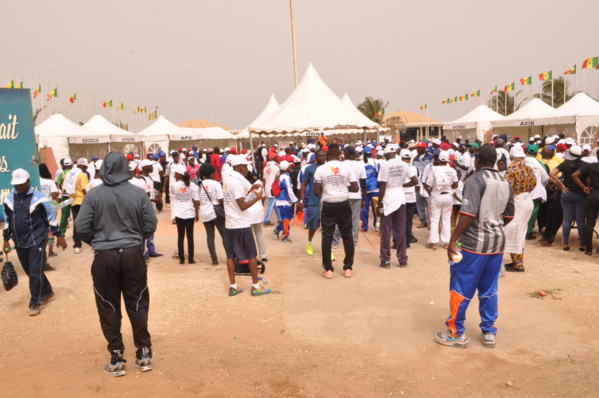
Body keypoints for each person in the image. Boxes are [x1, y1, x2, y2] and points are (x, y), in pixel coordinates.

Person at [75, 152, 157, 376]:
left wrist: (98, 241)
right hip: (133, 254)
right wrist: (135, 238)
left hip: (104, 256)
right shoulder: (138, 193)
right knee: (138, 301)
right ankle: (143, 353)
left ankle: (117, 357)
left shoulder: (93, 195)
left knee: (108, 304)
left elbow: (81, 226)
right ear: (126, 168)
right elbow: (151, 224)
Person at [437, 144, 514, 349]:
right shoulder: (505, 182)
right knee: (489, 289)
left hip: (474, 245)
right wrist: (493, 226)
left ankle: (455, 333)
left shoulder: (475, 180)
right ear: (496, 161)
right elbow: (509, 215)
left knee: (461, 288)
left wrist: (453, 239)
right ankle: (489, 331)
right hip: (497, 244)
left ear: (477, 160)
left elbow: (467, 214)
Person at [3, 169, 68, 317]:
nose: (19, 187)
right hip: (19, 241)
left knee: (34, 271)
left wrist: (59, 235)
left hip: (36, 240)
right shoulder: (8, 199)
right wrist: (6, 240)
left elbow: (50, 217)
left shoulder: (39, 199)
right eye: (16, 184)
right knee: (30, 270)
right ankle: (47, 290)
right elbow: (7, 221)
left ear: (28, 181)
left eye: (21, 184)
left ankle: (35, 302)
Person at [223, 156, 271, 296]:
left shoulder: (228, 179)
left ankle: (233, 286)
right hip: (241, 223)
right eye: (245, 166)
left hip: (230, 223)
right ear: (238, 167)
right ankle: (256, 286)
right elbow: (242, 205)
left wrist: (252, 190)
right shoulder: (236, 182)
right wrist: (257, 197)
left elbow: (238, 198)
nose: (247, 169)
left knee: (230, 256)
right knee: (251, 254)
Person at [314, 144, 359, 279]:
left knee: (327, 237)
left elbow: (316, 191)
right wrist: (343, 190)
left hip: (328, 204)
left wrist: (328, 190)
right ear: (340, 154)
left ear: (327, 155)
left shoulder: (320, 169)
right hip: (344, 203)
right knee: (347, 236)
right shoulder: (347, 167)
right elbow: (356, 188)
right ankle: (348, 268)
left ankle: (328, 269)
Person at [377, 147, 417, 268]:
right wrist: (403, 185)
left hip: (388, 198)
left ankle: (385, 260)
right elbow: (415, 180)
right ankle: (402, 259)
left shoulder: (385, 165)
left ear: (385, 155)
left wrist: (379, 204)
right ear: (395, 154)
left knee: (386, 231)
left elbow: (383, 185)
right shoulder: (404, 164)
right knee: (400, 231)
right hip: (400, 198)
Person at [502, 146, 537, 272]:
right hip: (528, 200)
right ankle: (516, 261)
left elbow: (507, 188)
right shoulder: (529, 168)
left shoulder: (512, 169)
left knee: (511, 231)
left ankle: (517, 264)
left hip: (517, 202)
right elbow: (534, 184)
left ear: (511, 157)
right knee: (520, 232)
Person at [550, 146, 586, 251]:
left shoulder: (564, 164)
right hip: (580, 194)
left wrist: (561, 185)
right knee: (580, 221)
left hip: (567, 192)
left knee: (567, 220)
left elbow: (552, 174)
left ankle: (565, 244)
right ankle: (582, 245)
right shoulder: (584, 165)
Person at [423, 150, 458, 250]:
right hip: (448, 197)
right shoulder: (452, 170)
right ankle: (446, 242)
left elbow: (428, 184)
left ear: (438, 159)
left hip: (436, 196)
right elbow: (455, 185)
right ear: (448, 160)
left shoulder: (434, 170)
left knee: (434, 220)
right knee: (446, 220)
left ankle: (433, 242)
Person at [197, 163, 227, 266]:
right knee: (224, 235)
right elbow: (221, 200)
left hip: (204, 213)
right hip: (216, 211)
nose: (215, 173)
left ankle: (214, 259)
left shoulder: (199, 184)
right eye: (214, 171)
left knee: (210, 236)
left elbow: (197, 201)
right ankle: (230, 256)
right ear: (211, 173)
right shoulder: (216, 184)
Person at [299, 150, 326, 256]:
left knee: (327, 227)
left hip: (327, 201)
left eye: (324, 156)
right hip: (313, 202)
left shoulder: (328, 168)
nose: (323, 157)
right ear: (316, 157)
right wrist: (301, 200)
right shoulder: (309, 168)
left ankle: (327, 250)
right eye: (321, 156)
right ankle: (309, 243)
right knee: (313, 226)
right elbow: (303, 184)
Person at [171, 165, 200, 264]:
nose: (174, 175)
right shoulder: (192, 185)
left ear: (179, 175)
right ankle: (191, 258)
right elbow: (196, 201)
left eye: (175, 173)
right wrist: (196, 213)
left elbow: (173, 194)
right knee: (190, 236)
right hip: (190, 213)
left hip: (179, 213)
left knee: (180, 236)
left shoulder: (174, 185)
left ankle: (181, 259)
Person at [572, 151, 599, 255]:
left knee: (590, 224)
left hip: (592, 195)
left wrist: (584, 187)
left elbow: (575, 175)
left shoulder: (591, 166)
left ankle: (588, 250)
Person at [139, 160, 164, 259]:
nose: (152, 167)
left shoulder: (150, 178)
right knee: (146, 229)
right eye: (150, 166)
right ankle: (145, 252)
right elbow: (143, 196)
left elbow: (152, 190)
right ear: (145, 168)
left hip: (151, 207)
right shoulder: (141, 180)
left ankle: (151, 250)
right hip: (145, 208)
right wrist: (154, 200)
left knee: (151, 229)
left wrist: (157, 194)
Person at [343, 145, 367, 245]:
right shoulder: (360, 165)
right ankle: (354, 240)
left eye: (344, 152)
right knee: (355, 218)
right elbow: (363, 183)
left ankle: (336, 239)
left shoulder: (342, 164)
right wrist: (363, 198)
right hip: (357, 195)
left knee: (341, 217)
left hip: (344, 194)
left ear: (348, 153)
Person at [273, 160, 298, 243]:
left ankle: (277, 229)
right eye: (289, 166)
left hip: (283, 201)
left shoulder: (282, 176)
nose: (291, 167)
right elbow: (289, 190)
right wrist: (295, 200)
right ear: (286, 168)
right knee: (286, 219)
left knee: (286, 218)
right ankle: (285, 236)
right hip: (284, 200)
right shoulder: (285, 177)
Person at [39, 163, 60, 264]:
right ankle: (50, 251)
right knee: (51, 228)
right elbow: (54, 195)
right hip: (50, 206)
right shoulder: (50, 182)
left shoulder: (36, 181)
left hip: (38, 206)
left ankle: (41, 250)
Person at [400, 149, 418, 246]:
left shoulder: (400, 168)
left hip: (402, 198)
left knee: (401, 220)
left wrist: (403, 186)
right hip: (411, 197)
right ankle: (408, 238)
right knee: (408, 220)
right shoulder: (414, 168)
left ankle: (403, 240)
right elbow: (417, 183)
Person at [413, 142, 433, 228]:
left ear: (425, 148)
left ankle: (431, 222)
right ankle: (423, 220)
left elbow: (433, 170)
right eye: (417, 148)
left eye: (420, 148)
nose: (418, 149)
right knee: (419, 203)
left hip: (427, 183)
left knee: (429, 203)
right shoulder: (415, 158)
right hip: (417, 183)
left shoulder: (430, 157)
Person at [71, 158, 90, 254]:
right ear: (82, 166)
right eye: (85, 167)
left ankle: (76, 244)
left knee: (76, 222)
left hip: (73, 201)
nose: (86, 169)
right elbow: (84, 189)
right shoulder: (82, 175)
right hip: (82, 201)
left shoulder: (70, 174)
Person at [262, 158, 281, 225]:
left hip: (267, 186)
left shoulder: (265, 168)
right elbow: (279, 178)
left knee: (275, 204)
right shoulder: (276, 167)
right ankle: (266, 220)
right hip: (273, 187)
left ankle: (279, 219)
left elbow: (264, 178)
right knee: (271, 204)